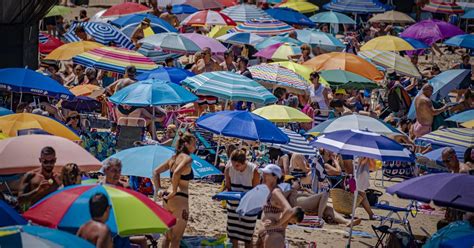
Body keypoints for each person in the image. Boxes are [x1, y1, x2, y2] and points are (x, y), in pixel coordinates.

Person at [153, 132, 196, 248]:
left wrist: (159, 189)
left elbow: (155, 171)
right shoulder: (187, 159)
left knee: (167, 237)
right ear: (186, 144)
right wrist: (175, 190)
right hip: (179, 198)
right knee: (176, 239)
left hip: (167, 198)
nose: (195, 147)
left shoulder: (173, 158)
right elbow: (177, 173)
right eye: (194, 144)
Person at [256, 164, 304, 248]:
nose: (263, 175)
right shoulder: (269, 191)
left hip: (273, 236)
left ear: (275, 177)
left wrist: (277, 224)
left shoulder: (276, 192)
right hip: (269, 234)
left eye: (266, 174)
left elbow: (289, 210)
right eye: (263, 173)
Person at [224, 149, 260, 248]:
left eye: (237, 165)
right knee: (232, 235)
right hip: (233, 206)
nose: (234, 168)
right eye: (232, 164)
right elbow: (228, 187)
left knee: (247, 237)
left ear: (244, 162)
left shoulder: (254, 170)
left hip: (249, 207)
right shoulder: (229, 168)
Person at [18, 147, 61, 211]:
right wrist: (38, 190)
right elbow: (20, 200)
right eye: (45, 161)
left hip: (53, 216)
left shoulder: (59, 178)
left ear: (55, 160)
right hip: (35, 215)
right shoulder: (31, 176)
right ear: (40, 160)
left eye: (51, 161)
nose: (49, 164)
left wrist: (61, 186)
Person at [192, 48, 221, 115]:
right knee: (201, 107)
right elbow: (194, 71)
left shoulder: (214, 63)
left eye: (204, 54)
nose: (202, 55)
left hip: (209, 88)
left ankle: (212, 122)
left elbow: (220, 74)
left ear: (210, 54)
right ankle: (200, 122)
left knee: (211, 107)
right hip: (200, 88)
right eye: (202, 53)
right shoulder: (199, 61)